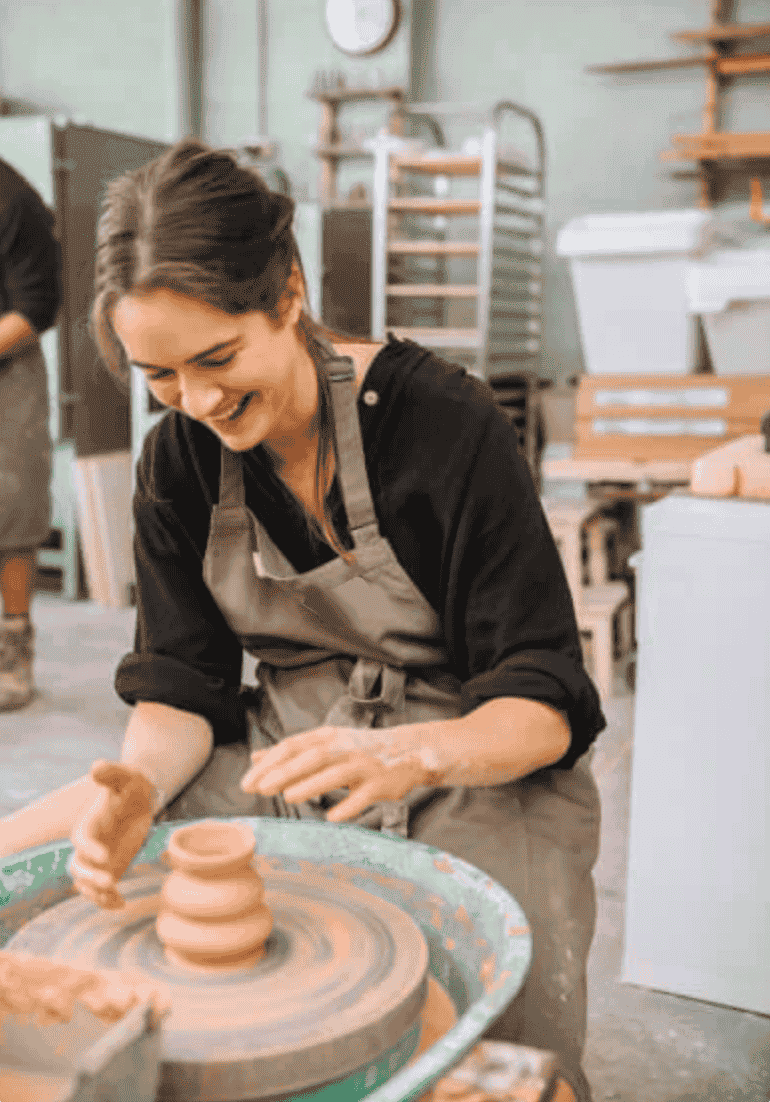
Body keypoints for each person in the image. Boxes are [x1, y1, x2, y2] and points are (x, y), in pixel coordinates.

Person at [0, 139, 605, 1102]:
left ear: (287, 293)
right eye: (159, 375)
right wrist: (137, 790)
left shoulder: (445, 426)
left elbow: (543, 707)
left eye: (218, 358)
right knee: (77, 893)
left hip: (477, 757)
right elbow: (181, 696)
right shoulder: (178, 463)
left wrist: (415, 756)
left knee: (498, 1040)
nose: (195, 402)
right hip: (290, 748)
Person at [0, 157, 62, 710]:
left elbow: (37, 306)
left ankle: (13, 650)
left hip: (7, 367)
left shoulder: (13, 201)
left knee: (11, 513)